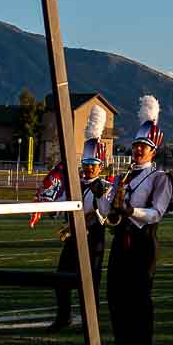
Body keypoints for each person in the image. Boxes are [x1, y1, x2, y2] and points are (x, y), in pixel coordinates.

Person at [106, 95, 173, 345]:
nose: (137, 150)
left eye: (143, 147)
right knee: (116, 298)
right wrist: (104, 200)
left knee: (139, 299)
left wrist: (129, 211)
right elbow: (109, 208)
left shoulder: (160, 178)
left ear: (153, 152)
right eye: (135, 145)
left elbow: (156, 212)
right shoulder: (122, 176)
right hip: (120, 239)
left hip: (142, 242)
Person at [43, 103, 110, 330]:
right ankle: (63, 318)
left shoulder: (106, 186)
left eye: (94, 164)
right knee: (61, 279)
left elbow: (105, 213)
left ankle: (91, 322)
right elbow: (61, 205)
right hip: (72, 238)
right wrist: (50, 208)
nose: (89, 168)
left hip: (93, 239)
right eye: (87, 163)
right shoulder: (74, 184)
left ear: (101, 165)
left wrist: (99, 200)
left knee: (90, 283)